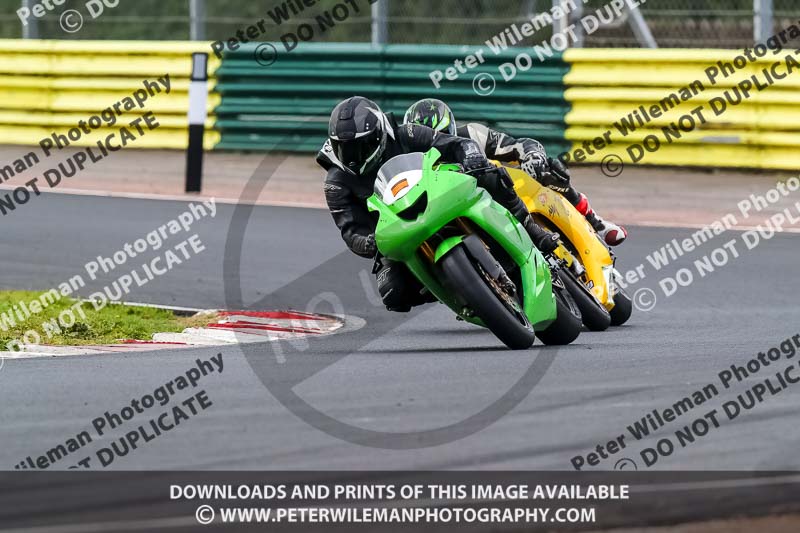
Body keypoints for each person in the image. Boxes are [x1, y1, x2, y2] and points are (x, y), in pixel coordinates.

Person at [317, 96, 560, 312]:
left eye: (362, 146)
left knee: (491, 174)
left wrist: (472, 156)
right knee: (394, 294)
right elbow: (350, 232)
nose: (353, 156)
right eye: (344, 148)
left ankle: (531, 228)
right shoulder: (336, 182)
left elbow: (456, 144)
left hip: (436, 197)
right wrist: (369, 243)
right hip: (393, 233)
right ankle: (461, 291)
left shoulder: (406, 133)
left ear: (380, 133)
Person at [403, 98, 627, 246]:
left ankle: (596, 222)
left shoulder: (471, 134)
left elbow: (517, 144)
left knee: (549, 170)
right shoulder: (411, 166)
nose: (440, 145)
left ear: (450, 128)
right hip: (460, 208)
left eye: (444, 136)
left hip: (503, 188)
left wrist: (533, 157)